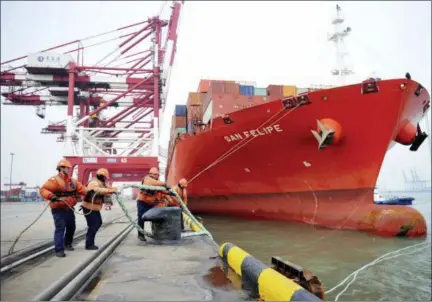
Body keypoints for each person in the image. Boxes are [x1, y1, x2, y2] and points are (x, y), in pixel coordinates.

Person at [39, 159, 87, 258]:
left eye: (69, 168)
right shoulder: (54, 180)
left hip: (69, 209)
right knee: (60, 228)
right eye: (66, 168)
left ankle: (67, 244)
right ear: (60, 168)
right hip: (58, 209)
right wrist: (51, 196)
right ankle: (59, 250)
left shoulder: (72, 181)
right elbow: (43, 190)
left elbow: (83, 189)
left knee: (71, 227)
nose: (68, 169)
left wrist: (93, 193)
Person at [82, 168, 117, 250]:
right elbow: (98, 190)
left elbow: (109, 188)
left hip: (95, 208)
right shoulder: (93, 183)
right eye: (105, 177)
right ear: (101, 176)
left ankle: (90, 240)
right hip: (89, 207)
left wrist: (115, 189)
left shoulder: (102, 183)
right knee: (93, 225)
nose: (105, 179)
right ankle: (89, 244)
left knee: (98, 223)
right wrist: (110, 190)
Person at [136, 167, 171, 241]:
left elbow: (161, 190)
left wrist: (169, 192)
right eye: (156, 175)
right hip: (143, 202)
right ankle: (140, 235)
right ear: (152, 174)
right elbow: (153, 183)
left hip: (151, 203)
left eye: (157, 175)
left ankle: (156, 232)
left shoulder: (157, 181)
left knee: (155, 217)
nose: (157, 177)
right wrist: (165, 184)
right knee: (141, 218)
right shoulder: (147, 179)